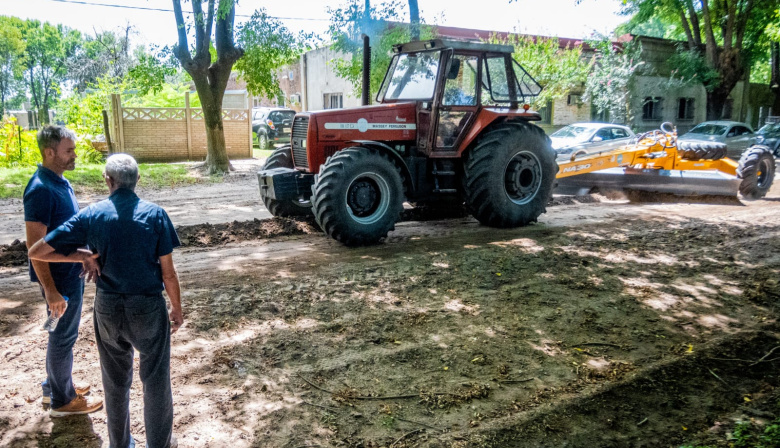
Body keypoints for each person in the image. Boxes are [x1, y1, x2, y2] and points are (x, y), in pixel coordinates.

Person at [29, 153, 184, 448]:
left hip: (108, 308)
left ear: (108, 181)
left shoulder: (91, 214)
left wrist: (80, 256)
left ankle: (120, 443)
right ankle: (159, 444)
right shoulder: (156, 214)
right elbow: (169, 273)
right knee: (156, 380)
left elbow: (37, 251)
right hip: (147, 307)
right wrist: (176, 307)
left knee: (114, 383)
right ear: (138, 180)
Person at [23, 125, 103, 416]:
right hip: (59, 282)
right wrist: (51, 290)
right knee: (63, 337)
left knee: (62, 334)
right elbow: (34, 248)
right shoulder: (40, 190)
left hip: (70, 275)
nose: (75, 155)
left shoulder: (59, 181)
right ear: (49, 152)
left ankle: (55, 386)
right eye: (69, 151)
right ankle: (62, 401)